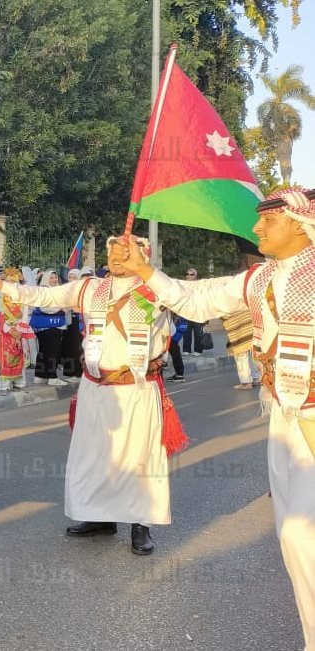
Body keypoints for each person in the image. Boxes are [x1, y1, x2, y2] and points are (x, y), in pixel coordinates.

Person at [118, 187, 314, 644]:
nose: (256, 228)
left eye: (268, 221)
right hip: (283, 419)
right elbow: (195, 300)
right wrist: (146, 270)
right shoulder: (258, 279)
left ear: (301, 225)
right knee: (290, 534)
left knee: (304, 536)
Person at [0, 235, 184, 556]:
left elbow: (188, 302)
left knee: (138, 457)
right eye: (113, 252)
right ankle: (99, 517)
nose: (118, 257)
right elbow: (45, 296)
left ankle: (140, 524)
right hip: (94, 387)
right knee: (94, 455)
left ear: (142, 255)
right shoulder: (88, 288)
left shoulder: (159, 289)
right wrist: (3, 286)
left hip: (136, 388)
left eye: (127, 252)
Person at [0, 267, 30, 394]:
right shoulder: (0, 297)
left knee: (20, 355)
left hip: (19, 330)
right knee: (5, 358)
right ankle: (5, 385)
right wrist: (9, 330)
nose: (12, 285)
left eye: (14, 282)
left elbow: (25, 315)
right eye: (9, 282)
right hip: (5, 331)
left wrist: (20, 331)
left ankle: (19, 382)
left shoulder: (23, 297)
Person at [222, 309, 259, 389]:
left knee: (240, 355)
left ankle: (246, 382)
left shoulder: (226, 301)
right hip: (248, 324)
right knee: (249, 354)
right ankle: (255, 377)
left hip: (238, 328)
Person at [60, 268, 84, 383]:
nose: (72, 279)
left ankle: (78, 373)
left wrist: (70, 307)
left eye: (74, 277)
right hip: (67, 321)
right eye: (70, 277)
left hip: (78, 321)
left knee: (77, 347)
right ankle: (69, 371)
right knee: (67, 346)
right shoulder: (66, 289)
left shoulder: (81, 289)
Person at [180, 268, 205, 355]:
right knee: (186, 332)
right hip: (186, 312)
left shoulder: (199, 286)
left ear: (196, 276)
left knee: (198, 332)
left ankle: (198, 350)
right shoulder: (183, 285)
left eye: (191, 274)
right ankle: (186, 350)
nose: (189, 276)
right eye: (187, 274)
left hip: (197, 312)